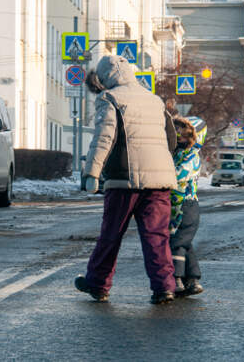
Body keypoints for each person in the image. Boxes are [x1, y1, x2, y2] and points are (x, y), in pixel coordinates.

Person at [74, 55, 179, 305]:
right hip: (159, 183)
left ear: (105, 78)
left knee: (111, 234)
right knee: (157, 236)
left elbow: (103, 138)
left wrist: (92, 173)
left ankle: (98, 284)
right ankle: (164, 287)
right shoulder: (155, 100)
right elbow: (171, 138)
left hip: (124, 180)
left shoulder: (110, 98)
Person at [169, 116, 207, 297]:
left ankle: (175, 279)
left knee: (177, 242)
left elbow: (179, 174)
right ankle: (192, 279)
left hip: (187, 205)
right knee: (185, 242)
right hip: (174, 205)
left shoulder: (192, 156)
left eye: (184, 132)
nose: (179, 135)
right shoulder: (177, 152)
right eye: (177, 131)